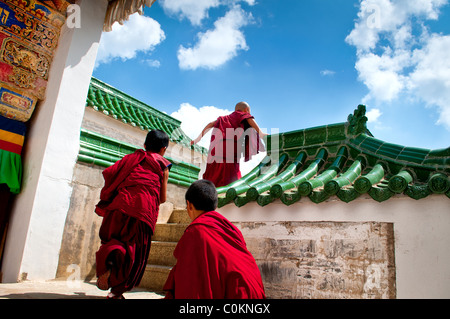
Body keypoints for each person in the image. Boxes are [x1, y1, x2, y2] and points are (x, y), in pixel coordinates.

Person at [95, 129, 172, 299]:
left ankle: (107, 263)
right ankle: (116, 292)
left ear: (144, 145)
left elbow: (111, 175)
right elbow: (162, 198)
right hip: (141, 211)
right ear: (163, 150)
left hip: (117, 207)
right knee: (134, 251)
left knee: (113, 241)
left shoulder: (130, 158)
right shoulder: (163, 165)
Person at [163, 179, 266, 299]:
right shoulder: (231, 228)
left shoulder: (195, 232)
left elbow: (189, 283)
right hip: (253, 292)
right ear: (215, 206)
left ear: (189, 205)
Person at [191, 102, 267, 187]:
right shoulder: (241, 114)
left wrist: (199, 138)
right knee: (231, 178)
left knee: (213, 175)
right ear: (246, 110)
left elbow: (210, 124)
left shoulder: (223, 118)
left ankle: (210, 191)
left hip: (215, 151)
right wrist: (261, 133)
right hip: (230, 151)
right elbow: (250, 119)